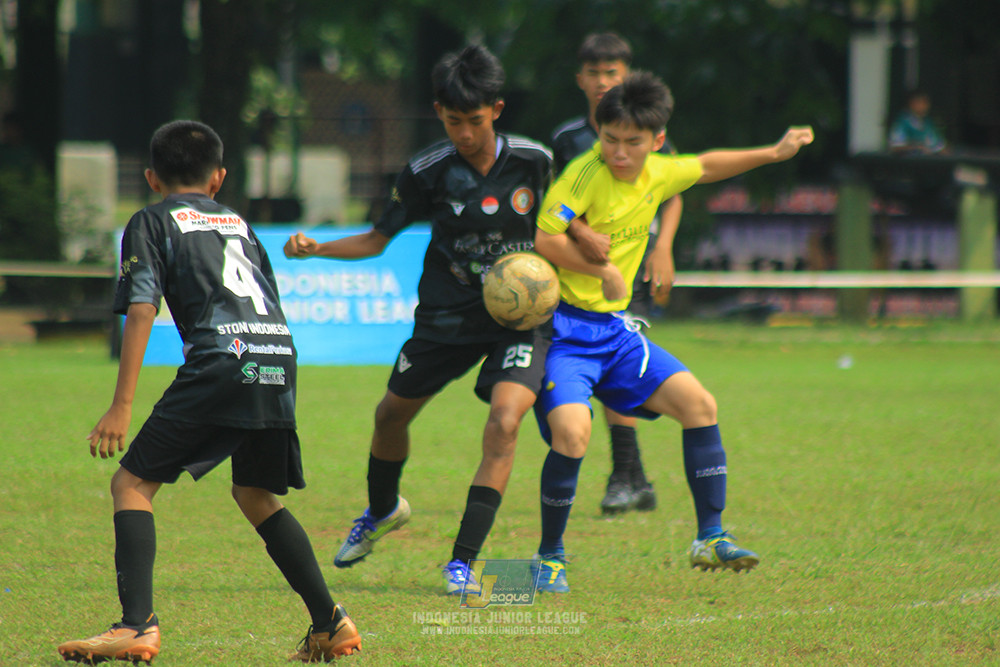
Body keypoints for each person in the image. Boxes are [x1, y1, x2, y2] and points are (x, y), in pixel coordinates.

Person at [57, 120, 361, 663]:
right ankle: (330, 623)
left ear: (151, 177)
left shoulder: (151, 221)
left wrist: (121, 403)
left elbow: (143, 306)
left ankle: (135, 625)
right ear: (218, 178)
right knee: (255, 494)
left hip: (223, 360)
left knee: (131, 483)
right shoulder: (240, 224)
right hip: (276, 357)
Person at [283, 45, 560, 595]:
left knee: (505, 423)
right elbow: (376, 239)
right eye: (453, 120)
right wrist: (318, 248)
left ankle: (462, 562)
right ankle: (383, 510)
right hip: (447, 316)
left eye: (475, 121)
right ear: (439, 112)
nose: (464, 132)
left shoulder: (535, 161)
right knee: (389, 416)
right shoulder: (425, 172)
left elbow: (565, 224)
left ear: (497, 110)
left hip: (521, 319)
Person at [530, 71, 813, 592]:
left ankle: (709, 536)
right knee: (573, 433)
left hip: (615, 333)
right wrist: (602, 270)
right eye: (609, 138)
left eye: (631, 142)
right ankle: (549, 557)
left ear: (655, 141)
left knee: (700, 405)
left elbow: (706, 166)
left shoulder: (658, 172)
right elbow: (545, 240)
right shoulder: (582, 174)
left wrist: (774, 153)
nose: (617, 152)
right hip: (563, 332)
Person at [550, 31, 685, 516]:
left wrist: (663, 247)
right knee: (605, 373)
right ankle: (631, 477)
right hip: (580, 275)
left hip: (628, 268)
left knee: (616, 368)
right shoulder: (566, 140)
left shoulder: (642, 126)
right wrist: (581, 232)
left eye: (613, 72)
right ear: (580, 79)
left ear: (626, 75)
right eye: (595, 73)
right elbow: (557, 205)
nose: (604, 81)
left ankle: (626, 477)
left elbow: (672, 193)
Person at [888, 90, 946, 155]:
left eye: (926, 103)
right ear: (912, 103)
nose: (924, 106)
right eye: (920, 103)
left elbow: (937, 145)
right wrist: (917, 148)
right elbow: (895, 147)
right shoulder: (902, 122)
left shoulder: (928, 123)